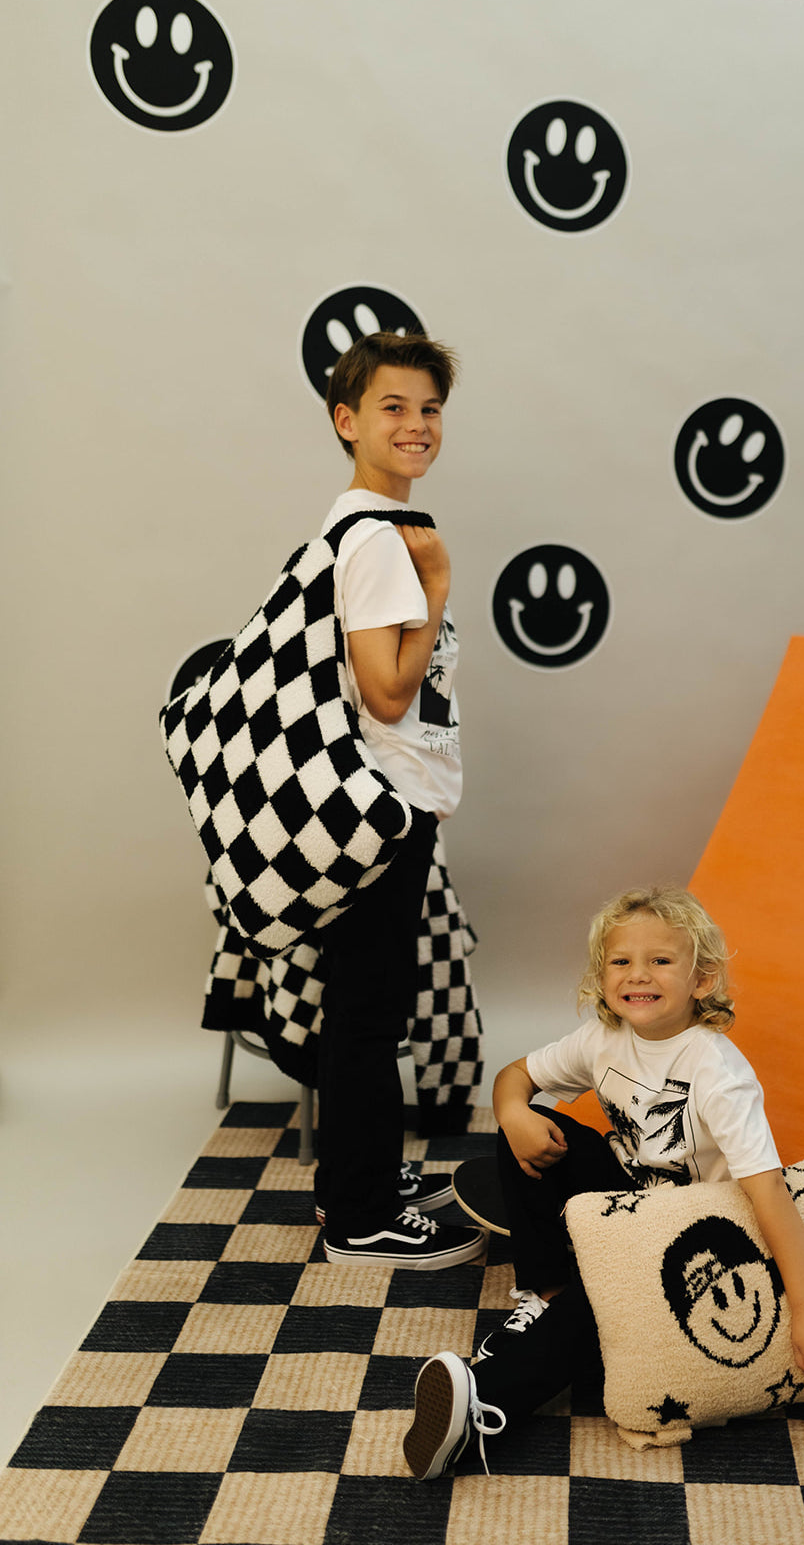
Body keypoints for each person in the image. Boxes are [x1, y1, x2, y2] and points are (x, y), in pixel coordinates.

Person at [402, 885, 804, 1477]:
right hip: (633, 1200)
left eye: (661, 961)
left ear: (702, 979)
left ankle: (487, 1407)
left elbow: (767, 1189)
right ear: (601, 975)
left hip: (701, 1226)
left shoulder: (717, 1072)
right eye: (621, 961)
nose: (638, 975)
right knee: (530, 1129)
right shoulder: (603, 1037)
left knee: (609, 1306)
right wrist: (513, 1114)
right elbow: (515, 1076)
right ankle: (545, 1292)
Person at [315, 331, 484, 1271]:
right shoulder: (382, 541)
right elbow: (386, 691)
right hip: (383, 805)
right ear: (347, 421)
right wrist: (440, 586)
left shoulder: (366, 529)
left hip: (373, 801)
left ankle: (356, 1179)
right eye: (392, 407)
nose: (416, 425)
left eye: (428, 408)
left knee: (365, 1004)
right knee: (371, 1011)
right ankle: (361, 1219)